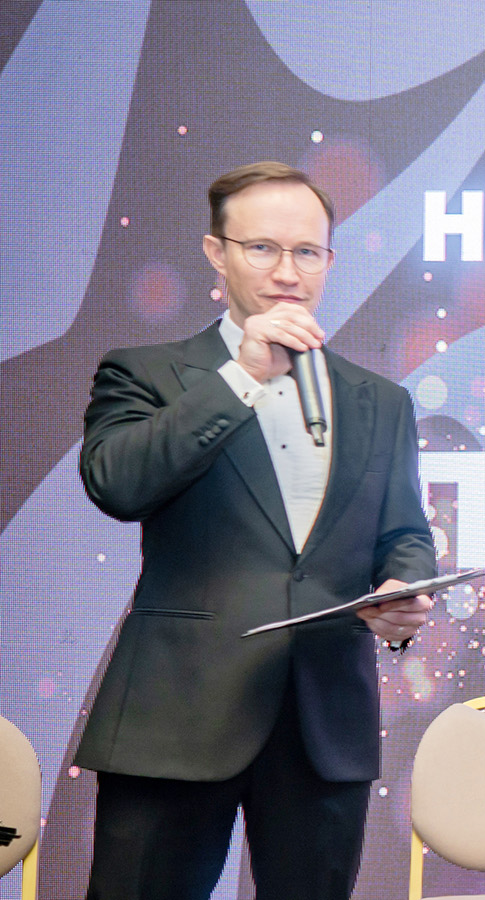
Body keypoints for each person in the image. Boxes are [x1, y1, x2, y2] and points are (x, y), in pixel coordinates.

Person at [76, 161, 437, 900]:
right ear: (217, 253)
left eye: (307, 252)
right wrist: (241, 376)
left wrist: (404, 589)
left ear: (330, 260)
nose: (287, 272)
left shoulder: (379, 401)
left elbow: (403, 531)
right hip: (176, 713)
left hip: (323, 722)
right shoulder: (147, 373)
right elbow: (117, 484)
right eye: (263, 248)